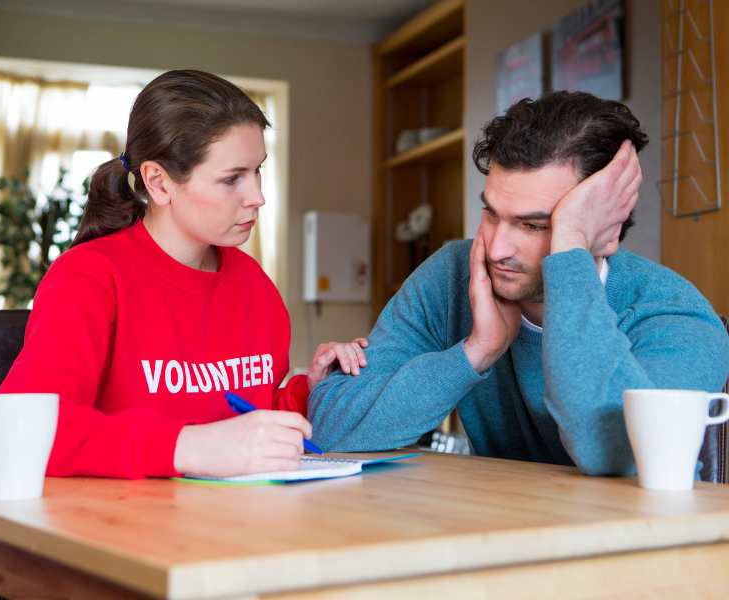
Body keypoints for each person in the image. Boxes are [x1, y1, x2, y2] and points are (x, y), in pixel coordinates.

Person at [309, 91, 729, 476]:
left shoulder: (674, 315)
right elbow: (334, 429)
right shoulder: (454, 276)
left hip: (644, 548)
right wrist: (475, 352)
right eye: (492, 213)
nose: (496, 249)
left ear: (605, 224)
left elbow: (607, 453)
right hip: (503, 535)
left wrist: (570, 254)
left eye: (534, 225)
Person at [0, 70, 368, 479]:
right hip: (123, 528)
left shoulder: (253, 283)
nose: (258, 197)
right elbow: (27, 433)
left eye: (257, 170)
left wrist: (311, 392)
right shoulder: (88, 277)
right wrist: (185, 446)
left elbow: (243, 419)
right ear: (158, 182)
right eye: (232, 179)